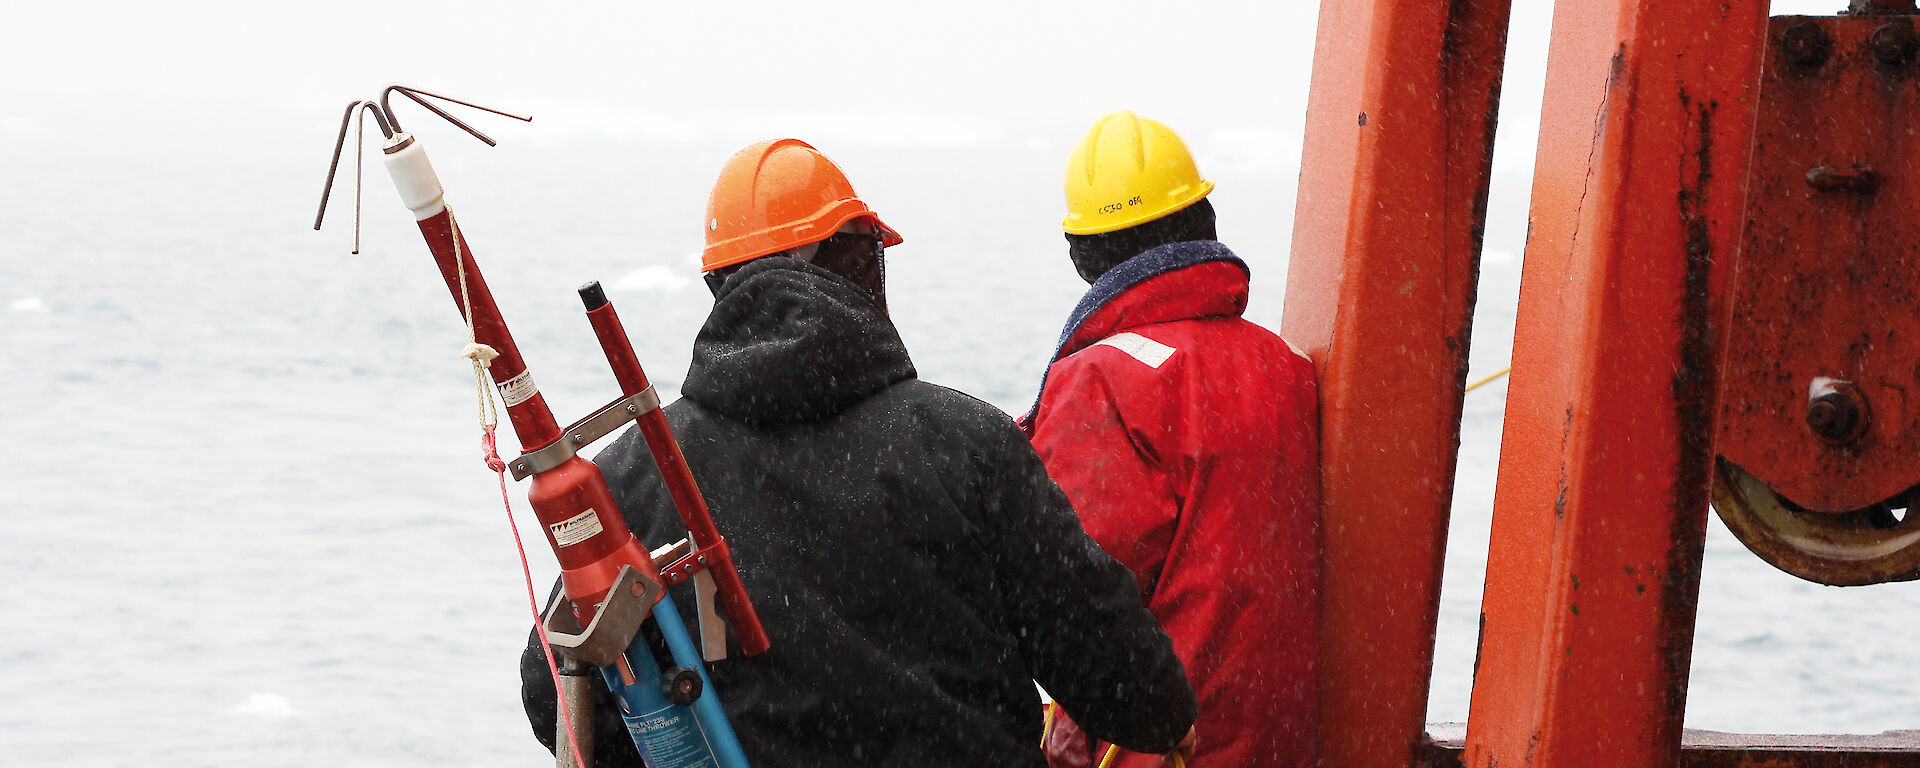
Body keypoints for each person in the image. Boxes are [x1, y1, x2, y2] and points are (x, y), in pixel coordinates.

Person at [520, 138, 1197, 767]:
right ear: (854, 264)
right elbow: (1137, 699)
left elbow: (555, 700)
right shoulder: (968, 446)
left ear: (721, 287)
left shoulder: (633, 476)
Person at [1025, 112, 1322, 768]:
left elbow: (1071, 595)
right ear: (1202, 220)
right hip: (1280, 740)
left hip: (1160, 746)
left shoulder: (1101, 378)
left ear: (1085, 254)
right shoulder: (1287, 366)